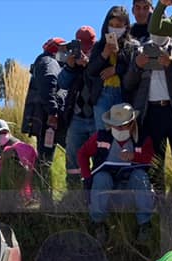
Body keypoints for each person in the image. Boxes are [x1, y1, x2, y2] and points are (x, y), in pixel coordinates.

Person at [124, 33, 172, 195]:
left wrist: (170, 65)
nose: (159, 33)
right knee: (155, 162)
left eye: (163, 29)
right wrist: (137, 65)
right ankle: (158, 202)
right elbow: (128, 84)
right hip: (150, 113)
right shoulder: (140, 52)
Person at [78, 103, 155, 243]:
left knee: (141, 177)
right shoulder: (101, 137)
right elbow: (82, 153)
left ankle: (145, 224)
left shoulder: (143, 138)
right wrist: (87, 177)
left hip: (132, 186)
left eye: (123, 125)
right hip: (106, 185)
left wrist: (133, 157)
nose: (119, 129)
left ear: (132, 124)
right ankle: (98, 223)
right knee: (101, 178)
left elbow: (151, 159)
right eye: (115, 125)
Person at [22, 37, 66, 207]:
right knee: (46, 160)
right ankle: (47, 202)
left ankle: (45, 200)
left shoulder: (44, 61)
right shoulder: (50, 63)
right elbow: (49, 85)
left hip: (43, 117)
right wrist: (53, 111)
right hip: (48, 119)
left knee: (44, 158)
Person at [88, 6, 141, 132]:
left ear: (126, 27)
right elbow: (91, 71)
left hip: (123, 95)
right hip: (102, 94)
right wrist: (104, 55)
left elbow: (133, 68)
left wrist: (116, 66)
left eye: (118, 26)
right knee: (103, 135)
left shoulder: (133, 46)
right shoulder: (99, 46)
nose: (114, 29)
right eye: (111, 25)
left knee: (123, 134)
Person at [60, 26, 99, 191]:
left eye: (87, 44)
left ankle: (96, 194)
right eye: (81, 44)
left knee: (100, 157)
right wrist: (70, 66)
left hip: (97, 116)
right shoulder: (72, 59)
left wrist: (88, 66)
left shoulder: (100, 55)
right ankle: (74, 194)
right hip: (77, 117)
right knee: (73, 160)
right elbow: (61, 83)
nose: (84, 48)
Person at [0, 120, 39, 205]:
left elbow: (25, 165)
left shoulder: (15, 143)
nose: (2, 134)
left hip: (16, 173)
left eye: (4, 132)